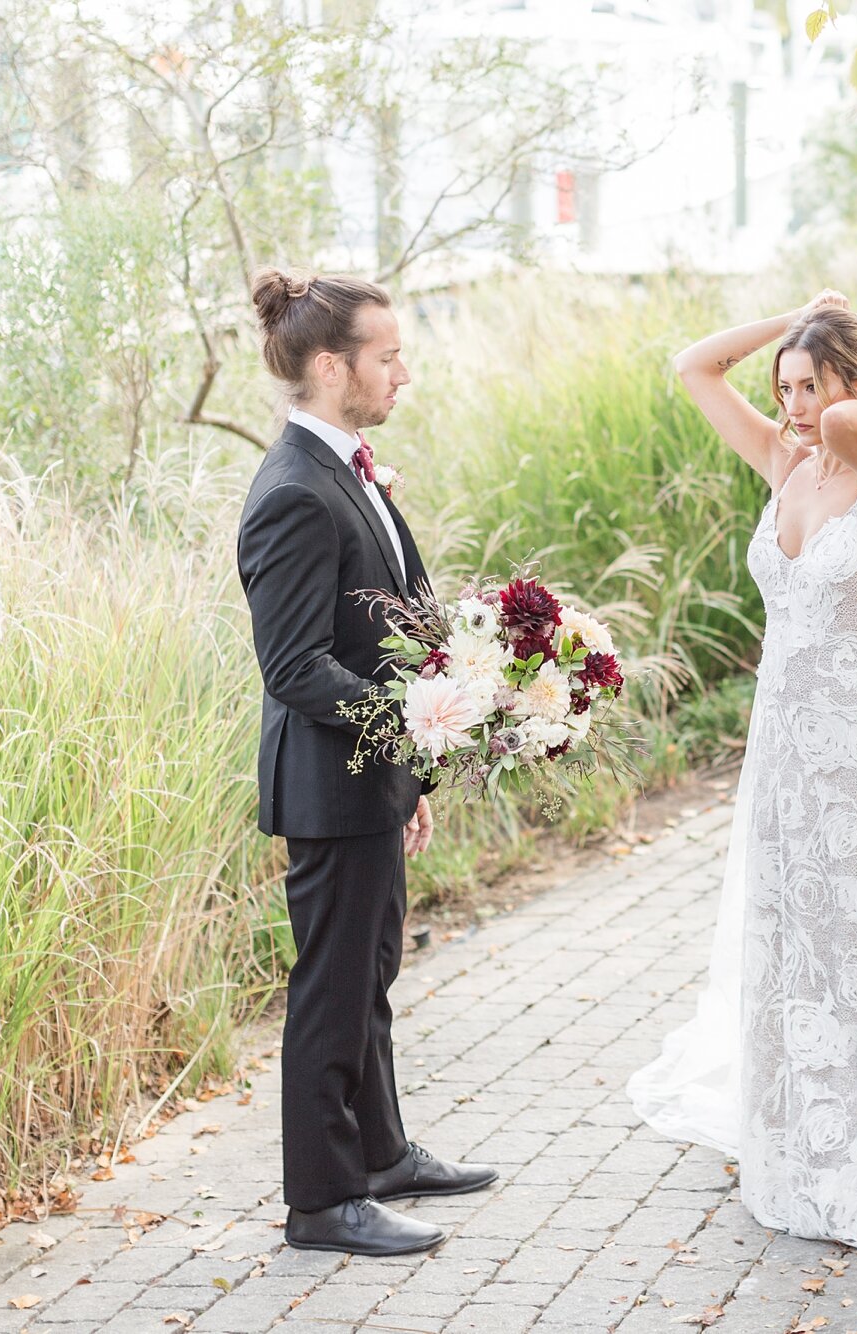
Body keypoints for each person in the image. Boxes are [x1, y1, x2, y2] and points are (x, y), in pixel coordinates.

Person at [626, 292, 857, 1249]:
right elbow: (694, 365)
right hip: (784, 746)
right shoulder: (785, 462)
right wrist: (793, 319)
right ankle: (803, 1139)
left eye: (810, 386)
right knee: (796, 939)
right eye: (783, 388)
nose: (794, 406)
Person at [237, 268, 497, 1257]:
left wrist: (412, 772)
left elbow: (385, 624)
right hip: (326, 781)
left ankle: (381, 1150)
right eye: (387, 355)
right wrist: (420, 720)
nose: (403, 371)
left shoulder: (345, 468)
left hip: (369, 779)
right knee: (330, 992)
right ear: (329, 364)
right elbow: (296, 665)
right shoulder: (295, 491)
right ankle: (323, 1198)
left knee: (369, 975)